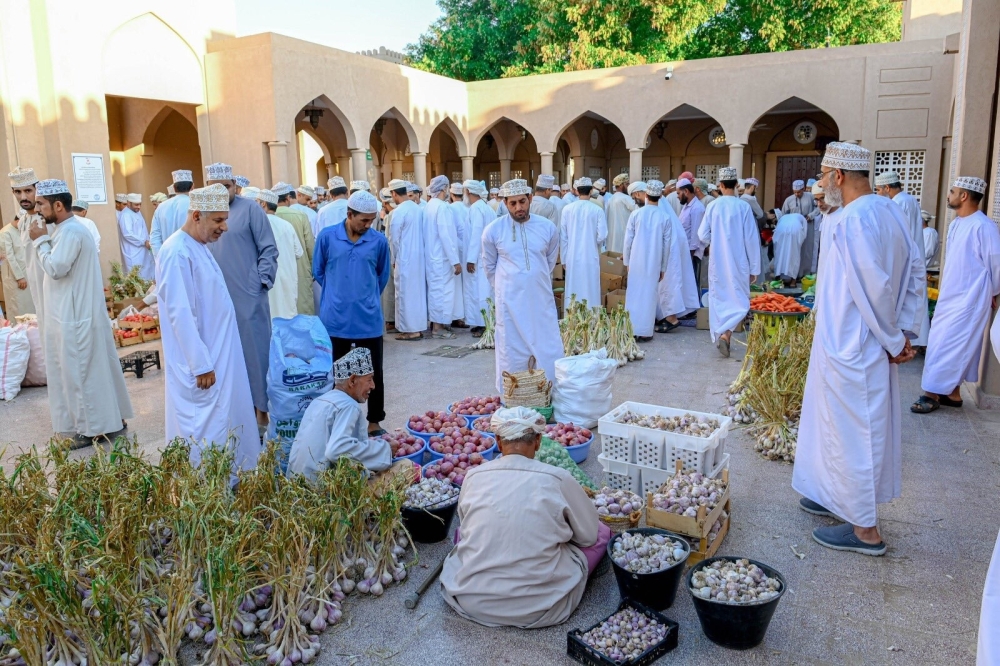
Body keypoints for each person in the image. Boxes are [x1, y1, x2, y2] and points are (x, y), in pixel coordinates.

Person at [792, 142, 922, 557]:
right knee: (833, 424)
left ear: (839, 176)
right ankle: (834, 495)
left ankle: (865, 530)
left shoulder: (854, 219)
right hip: (851, 339)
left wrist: (895, 339)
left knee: (856, 433)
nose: (821, 182)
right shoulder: (889, 210)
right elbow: (915, 270)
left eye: (824, 174)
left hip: (855, 342)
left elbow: (873, 289)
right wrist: (906, 330)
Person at [440, 406, 609, 628]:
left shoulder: (473, 476)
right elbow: (588, 537)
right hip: (542, 607)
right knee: (602, 532)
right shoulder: (558, 478)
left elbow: (465, 526)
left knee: (464, 534)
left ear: (498, 442)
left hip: (470, 600)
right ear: (538, 442)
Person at [156, 183, 259, 471]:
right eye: (218, 220)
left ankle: (233, 480)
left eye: (225, 219)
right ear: (196, 216)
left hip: (218, 357)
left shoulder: (198, 247)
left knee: (225, 421)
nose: (224, 227)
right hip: (202, 365)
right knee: (206, 431)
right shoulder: (176, 251)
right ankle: (209, 489)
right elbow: (180, 313)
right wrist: (200, 364)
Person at [28, 179, 132, 445]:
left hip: (76, 318)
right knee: (96, 371)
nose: (37, 209)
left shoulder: (71, 232)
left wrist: (39, 242)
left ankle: (90, 430)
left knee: (80, 374)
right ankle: (112, 419)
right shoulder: (67, 230)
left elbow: (55, 268)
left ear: (58, 206)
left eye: (41, 204)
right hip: (78, 315)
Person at [912, 176, 1000, 414]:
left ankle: (931, 393)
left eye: (952, 191)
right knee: (945, 341)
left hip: (971, 298)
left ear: (964, 195)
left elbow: (996, 264)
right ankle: (953, 394)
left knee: (949, 344)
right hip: (950, 296)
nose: (948, 195)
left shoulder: (984, 227)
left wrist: (993, 292)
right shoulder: (956, 224)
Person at [204, 162, 279, 431]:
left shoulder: (250, 210)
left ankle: (261, 412)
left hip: (248, 295)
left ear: (235, 185)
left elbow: (268, 248)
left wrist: (260, 282)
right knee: (225, 354)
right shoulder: (204, 213)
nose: (222, 192)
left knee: (256, 354)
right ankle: (235, 412)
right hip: (217, 295)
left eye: (226, 186)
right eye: (215, 187)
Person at [314, 191, 390, 435]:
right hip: (335, 319)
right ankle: (338, 421)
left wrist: (365, 296)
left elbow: (382, 275)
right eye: (364, 220)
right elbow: (318, 271)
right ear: (349, 214)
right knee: (337, 374)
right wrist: (338, 294)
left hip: (368, 319)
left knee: (373, 372)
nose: (368, 225)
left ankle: (374, 421)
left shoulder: (379, 241)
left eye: (372, 221)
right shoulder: (327, 237)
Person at [482, 179, 562, 394]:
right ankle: (513, 396)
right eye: (513, 203)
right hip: (509, 303)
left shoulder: (547, 228)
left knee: (547, 344)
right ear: (505, 203)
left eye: (522, 202)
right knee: (511, 348)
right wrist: (507, 288)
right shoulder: (493, 231)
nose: (518, 207)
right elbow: (489, 266)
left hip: (540, 299)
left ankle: (548, 392)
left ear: (530, 199)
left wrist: (532, 280)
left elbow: (549, 262)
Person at [287, 347, 392, 481]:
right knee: (405, 467)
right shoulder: (349, 406)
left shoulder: (319, 401)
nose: (373, 386)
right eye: (369, 379)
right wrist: (386, 450)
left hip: (296, 485)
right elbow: (337, 450)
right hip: (322, 489)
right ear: (352, 380)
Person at [697, 167, 760, 357]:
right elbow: (751, 239)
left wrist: (714, 241)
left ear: (721, 185)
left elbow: (702, 234)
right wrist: (754, 268)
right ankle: (727, 334)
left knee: (720, 298)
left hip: (718, 262)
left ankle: (724, 334)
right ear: (737, 185)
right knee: (739, 300)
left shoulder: (713, 206)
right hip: (739, 262)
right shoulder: (743, 207)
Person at [876, 171, 930, 348]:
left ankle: (904, 341)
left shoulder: (898, 203)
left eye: (879, 190)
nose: (878, 194)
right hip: (911, 255)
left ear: (887, 188)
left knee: (903, 297)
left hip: (904, 256)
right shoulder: (909, 199)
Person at [650, 182, 701, 332]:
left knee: (667, 286)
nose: (677, 196)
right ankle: (665, 316)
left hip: (669, 257)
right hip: (671, 255)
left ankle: (671, 319)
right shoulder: (670, 214)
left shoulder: (661, 216)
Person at [623, 180, 670, 341]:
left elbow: (628, 241)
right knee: (649, 295)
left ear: (646, 195)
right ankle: (645, 331)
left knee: (634, 294)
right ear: (660, 196)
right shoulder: (665, 217)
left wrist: (627, 262)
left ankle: (631, 329)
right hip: (654, 263)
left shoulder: (636, 214)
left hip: (636, 261)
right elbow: (666, 246)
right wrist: (663, 267)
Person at [249, 188, 303, 319]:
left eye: (257, 202)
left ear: (263, 204)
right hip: (286, 280)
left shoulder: (255, 226)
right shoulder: (287, 226)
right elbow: (299, 253)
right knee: (287, 318)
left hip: (265, 280)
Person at [387, 179, 427, 341]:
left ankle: (410, 330)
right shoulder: (418, 209)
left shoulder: (399, 211)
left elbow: (394, 239)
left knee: (404, 293)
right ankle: (418, 327)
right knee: (417, 294)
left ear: (394, 193)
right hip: (419, 258)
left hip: (405, 258)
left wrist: (393, 258)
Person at [559, 177, 607, 308]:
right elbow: (602, 235)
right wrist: (593, 244)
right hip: (591, 255)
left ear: (577, 191)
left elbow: (563, 237)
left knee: (573, 288)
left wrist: (564, 259)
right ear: (591, 191)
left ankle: (572, 317)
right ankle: (592, 317)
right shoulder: (597, 210)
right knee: (590, 287)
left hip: (572, 256)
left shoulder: (567, 209)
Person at [423, 175, 462, 339]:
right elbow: (446, 236)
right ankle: (438, 328)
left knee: (435, 291)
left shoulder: (429, 206)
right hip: (442, 258)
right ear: (444, 188)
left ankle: (436, 324)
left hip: (433, 257)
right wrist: (455, 261)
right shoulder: (442, 207)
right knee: (443, 293)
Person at [10, 167, 50, 322]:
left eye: (28, 191)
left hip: (52, 283)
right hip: (34, 281)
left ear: (37, 190)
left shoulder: (48, 220)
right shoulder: (22, 221)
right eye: (18, 192)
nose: (23, 197)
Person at [273, 182, 316, 315]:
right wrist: (312, 268)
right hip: (300, 268)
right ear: (288, 198)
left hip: (275, 269)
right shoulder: (300, 215)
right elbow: (310, 246)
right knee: (303, 310)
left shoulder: (266, 217)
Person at [463, 180, 494, 337]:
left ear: (468, 192)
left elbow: (476, 234)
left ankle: (483, 324)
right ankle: (482, 322)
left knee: (480, 292)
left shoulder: (476, 208)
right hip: (485, 257)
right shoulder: (485, 208)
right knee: (484, 291)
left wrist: (471, 259)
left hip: (479, 258)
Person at [151, 170, 193, 256]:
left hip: (167, 257)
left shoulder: (161, 207)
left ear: (173, 188)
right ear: (192, 186)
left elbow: (155, 238)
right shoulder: (195, 205)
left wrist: (160, 258)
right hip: (191, 257)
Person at [0, 215, 34, 318]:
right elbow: (9, 257)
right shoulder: (5, 232)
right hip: (14, 276)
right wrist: (19, 277)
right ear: (19, 220)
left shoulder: (21, 230)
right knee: (18, 307)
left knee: (30, 307)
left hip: (26, 273)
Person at [781, 179, 817, 276]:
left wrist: (811, 215)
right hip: (794, 228)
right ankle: (793, 274)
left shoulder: (810, 196)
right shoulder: (789, 200)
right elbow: (783, 215)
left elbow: (818, 207)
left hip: (808, 225)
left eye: (799, 192)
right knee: (794, 249)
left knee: (807, 250)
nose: (797, 194)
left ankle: (805, 274)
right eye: (795, 192)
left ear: (803, 189)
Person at [676, 178, 706, 288]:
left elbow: (696, 234)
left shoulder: (697, 208)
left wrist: (690, 255)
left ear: (686, 191)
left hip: (691, 254)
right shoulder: (686, 206)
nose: (677, 196)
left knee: (692, 284)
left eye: (678, 193)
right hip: (685, 252)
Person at [118, 193, 155, 279]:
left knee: (146, 273)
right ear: (128, 203)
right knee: (136, 275)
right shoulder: (125, 215)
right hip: (133, 251)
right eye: (136, 205)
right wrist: (144, 241)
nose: (139, 207)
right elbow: (127, 234)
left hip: (143, 249)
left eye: (140, 204)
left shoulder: (136, 212)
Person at [448, 182, 469, 328]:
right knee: (466, 284)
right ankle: (465, 316)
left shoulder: (450, 208)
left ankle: (456, 316)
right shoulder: (469, 207)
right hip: (467, 249)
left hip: (456, 249)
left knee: (456, 284)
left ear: (451, 194)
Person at [771, 208, 807, 285]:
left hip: (781, 230)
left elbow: (775, 236)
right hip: (795, 231)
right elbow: (804, 233)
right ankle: (793, 282)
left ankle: (777, 277)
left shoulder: (783, 217)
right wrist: (798, 244)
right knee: (795, 255)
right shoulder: (802, 218)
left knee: (779, 254)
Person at [605, 173, 636, 254]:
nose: (628, 186)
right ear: (621, 185)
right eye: (627, 184)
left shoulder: (610, 199)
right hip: (623, 233)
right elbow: (637, 210)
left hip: (612, 234)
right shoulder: (625, 198)